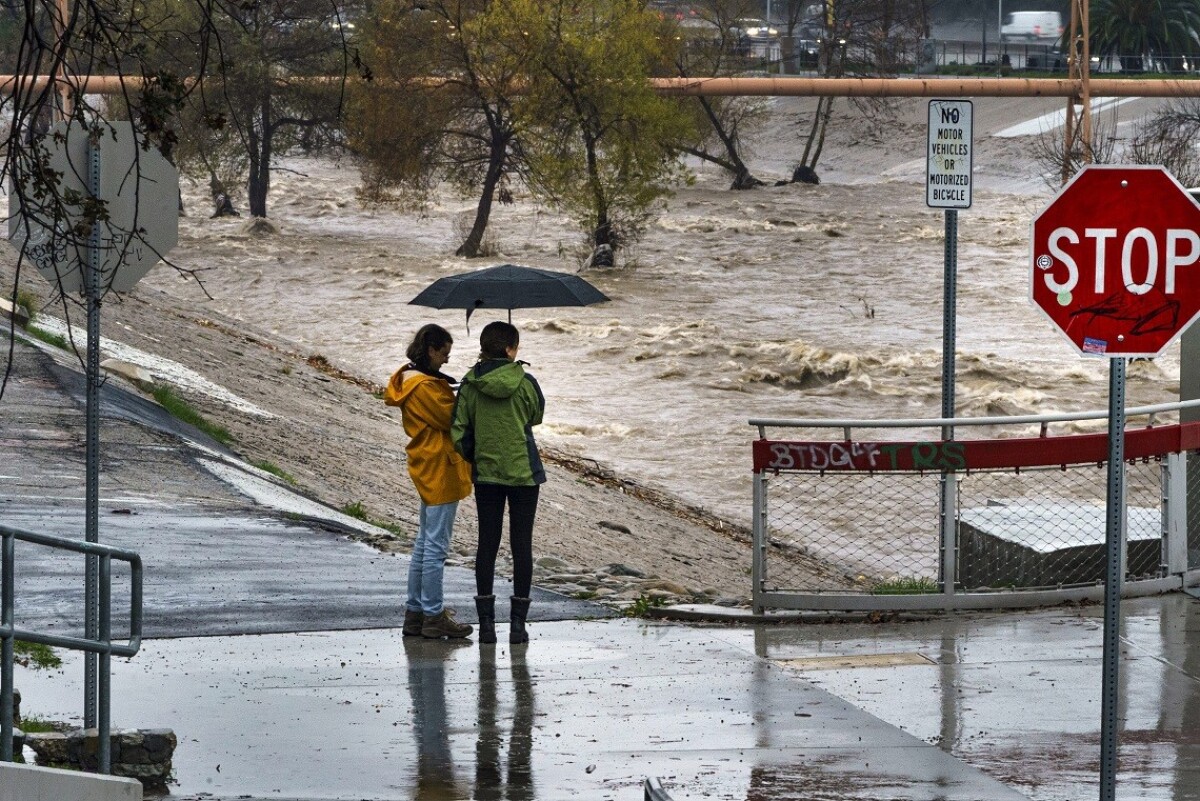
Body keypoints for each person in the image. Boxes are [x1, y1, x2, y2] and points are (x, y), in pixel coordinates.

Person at [452, 321, 545, 645]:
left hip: (487, 475)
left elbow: (459, 430)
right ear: (509, 350)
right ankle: (518, 627)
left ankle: (487, 626)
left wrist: (476, 457)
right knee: (522, 545)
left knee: (487, 545)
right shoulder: (526, 382)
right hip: (523, 475)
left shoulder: (469, 384)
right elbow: (536, 416)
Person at [386, 324, 474, 640]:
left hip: (427, 462)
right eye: (445, 354)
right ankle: (433, 615)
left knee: (424, 544)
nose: (447, 361)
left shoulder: (409, 378)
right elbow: (453, 418)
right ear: (432, 350)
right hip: (441, 466)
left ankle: (416, 613)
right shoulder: (425, 387)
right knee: (435, 547)